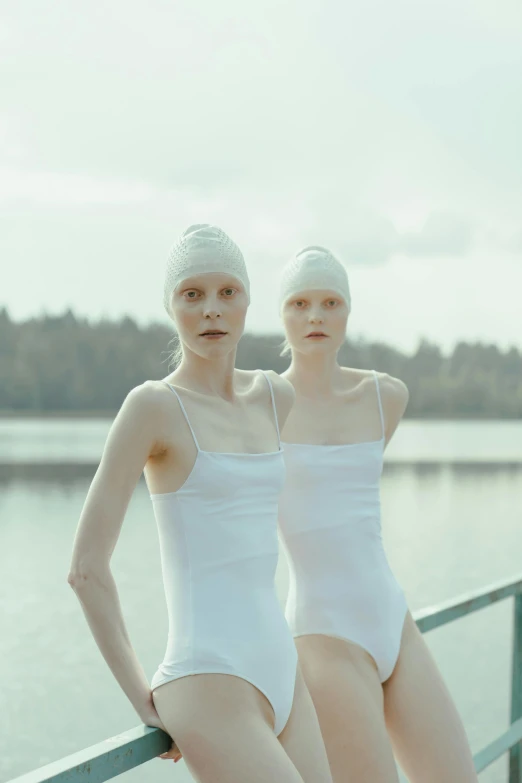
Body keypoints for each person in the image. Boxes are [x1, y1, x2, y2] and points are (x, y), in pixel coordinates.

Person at [67, 225, 332, 783]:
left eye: (226, 292)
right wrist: (142, 698)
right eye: (192, 294)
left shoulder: (274, 396)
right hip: (207, 680)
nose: (211, 309)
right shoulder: (152, 407)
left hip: (285, 674)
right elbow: (86, 570)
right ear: (171, 305)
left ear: (246, 301)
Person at [277, 246, 477, 782]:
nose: (315, 316)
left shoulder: (385, 395)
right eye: (299, 303)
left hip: (393, 619)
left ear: (347, 310)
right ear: (282, 313)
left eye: (329, 302)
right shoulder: (262, 404)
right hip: (324, 633)